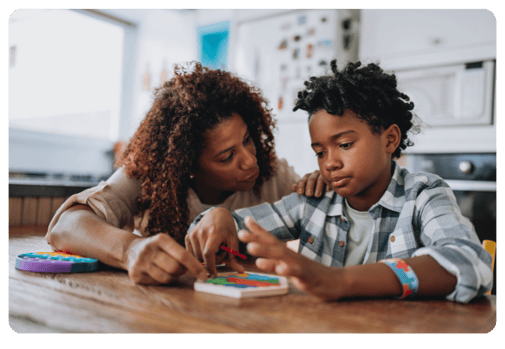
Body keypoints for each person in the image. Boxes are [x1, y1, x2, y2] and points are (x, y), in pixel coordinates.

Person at [188, 60, 493, 303]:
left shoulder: (423, 195)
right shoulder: (313, 200)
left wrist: (336, 280)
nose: (330, 162)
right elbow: (226, 233)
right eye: (320, 152)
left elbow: (469, 262)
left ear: (389, 139)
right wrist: (218, 216)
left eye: (345, 145)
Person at [45, 62, 325, 285]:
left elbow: (326, 209)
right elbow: (66, 226)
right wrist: (130, 250)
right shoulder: (149, 178)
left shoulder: (272, 174)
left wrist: (324, 183)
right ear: (187, 167)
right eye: (227, 157)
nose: (250, 161)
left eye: (248, 139)